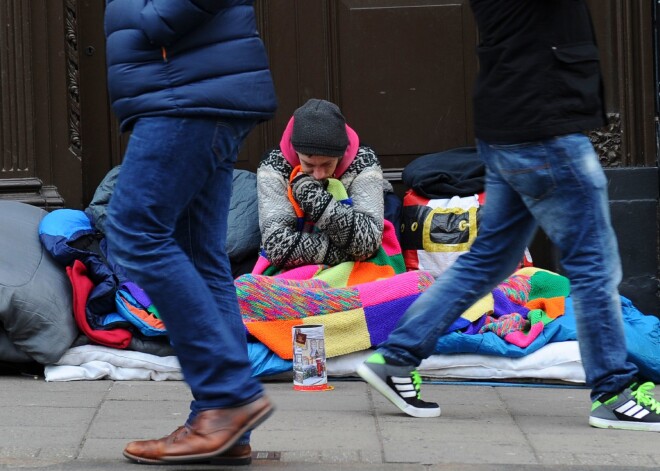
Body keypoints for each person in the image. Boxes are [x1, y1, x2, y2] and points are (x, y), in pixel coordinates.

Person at [357, 0, 660, 431]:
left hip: (510, 125)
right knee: (593, 265)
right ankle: (614, 391)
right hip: (545, 130)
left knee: (491, 260)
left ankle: (397, 356)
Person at [103, 0, 278, 465]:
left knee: (134, 231)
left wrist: (158, 17)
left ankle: (228, 396)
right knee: (199, 256)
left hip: (184, 88)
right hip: (186, 85)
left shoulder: (165, 31)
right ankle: (221, 419)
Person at [256, 98, 387, 270]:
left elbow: (367, 241)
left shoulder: (364, 160)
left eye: (327, 164)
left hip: (355, 274)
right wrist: (351, 253)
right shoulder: (273, 166)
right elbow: (276, 246)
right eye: (308, 165)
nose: (318, 175)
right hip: (291, 274)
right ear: (296, 152)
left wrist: (313, 198)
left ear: (341, 155)